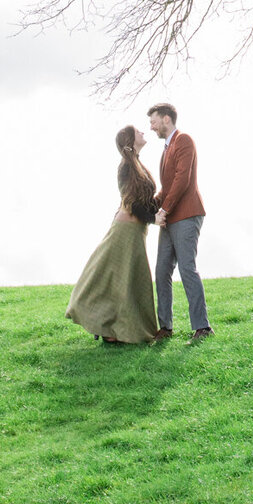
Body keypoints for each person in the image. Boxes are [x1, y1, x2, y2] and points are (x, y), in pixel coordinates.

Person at [66, 126, 161, 345]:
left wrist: (157, 207)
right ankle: (106, 326)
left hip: (135, 231)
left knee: (130, 281)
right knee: (115, 278)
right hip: (125, 231)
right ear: (130, 139)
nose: (143, 132)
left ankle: (114, 330)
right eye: (138, 131)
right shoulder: (127, 167)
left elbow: (143, 199)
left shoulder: (137, 164)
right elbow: (132, 203)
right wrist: (153, 218)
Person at [148, 103, 212, 340]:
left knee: (186, 268)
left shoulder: (184, 140)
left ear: (166, 119)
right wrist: (147, 208)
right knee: (161, 270)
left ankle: (203, 327)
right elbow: (166, 189)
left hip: (186, 214)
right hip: (170, 218)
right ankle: (165, 327)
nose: (151, 127)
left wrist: (163, 209)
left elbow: (182, 180)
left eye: (153, 121)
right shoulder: (165, 149)